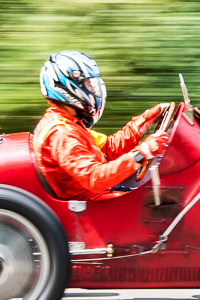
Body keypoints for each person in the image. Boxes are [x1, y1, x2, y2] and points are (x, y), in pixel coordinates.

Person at [32, 50, 171, 200]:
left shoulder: (69, 122)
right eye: (88, 84)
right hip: (91, 207)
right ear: (67, 87)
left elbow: (108, 149)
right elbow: (95, 178)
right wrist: (142, 153)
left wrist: (143, 123)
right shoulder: (62, 134)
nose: (93, 89)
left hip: (99, 196)